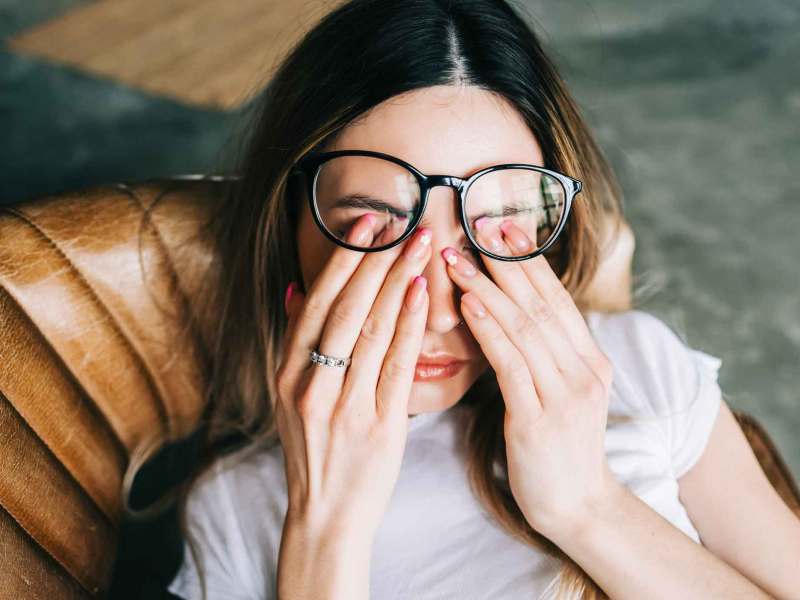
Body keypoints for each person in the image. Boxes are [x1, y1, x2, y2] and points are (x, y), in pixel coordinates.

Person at [164, 1, 800, 598]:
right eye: (377, 228)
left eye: (497, 227)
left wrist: (587, 506)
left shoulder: (636, 366)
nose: (441, 312)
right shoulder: (236, 509)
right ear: (288, 223)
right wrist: (326, 529)